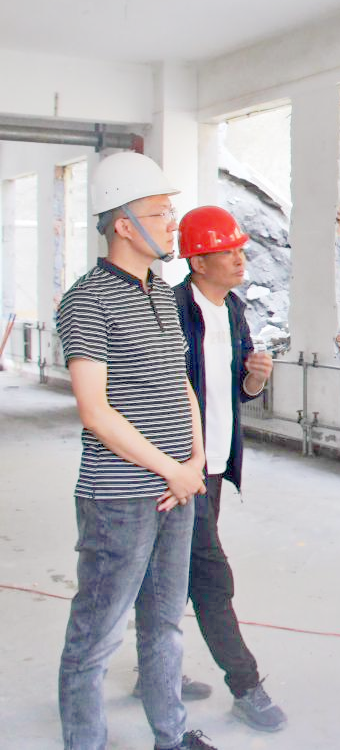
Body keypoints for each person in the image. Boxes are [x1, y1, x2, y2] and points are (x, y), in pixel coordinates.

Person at [55, 151, 217, 750]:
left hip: (177, 491)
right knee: (96, 637)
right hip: (119, 498)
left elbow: (181, 385)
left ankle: (170, 736)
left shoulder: (162, 293)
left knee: (165, 625)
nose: (173, 223)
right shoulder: (87, 300)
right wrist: (172, 469)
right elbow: (95, 411)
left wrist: (194, 463)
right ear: (123, 224)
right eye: (160, 213)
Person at [167, 205, 286, 732]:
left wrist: (255, 380)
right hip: (179, 469)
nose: (240, 259)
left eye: (240, 250)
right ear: (197, 262)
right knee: (211, 576)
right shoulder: (173, 312)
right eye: (227, 251)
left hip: (214, 467)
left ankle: (156, 670)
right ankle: (246, 685)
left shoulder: (234, 309)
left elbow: (235, 392)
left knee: (171, 573)